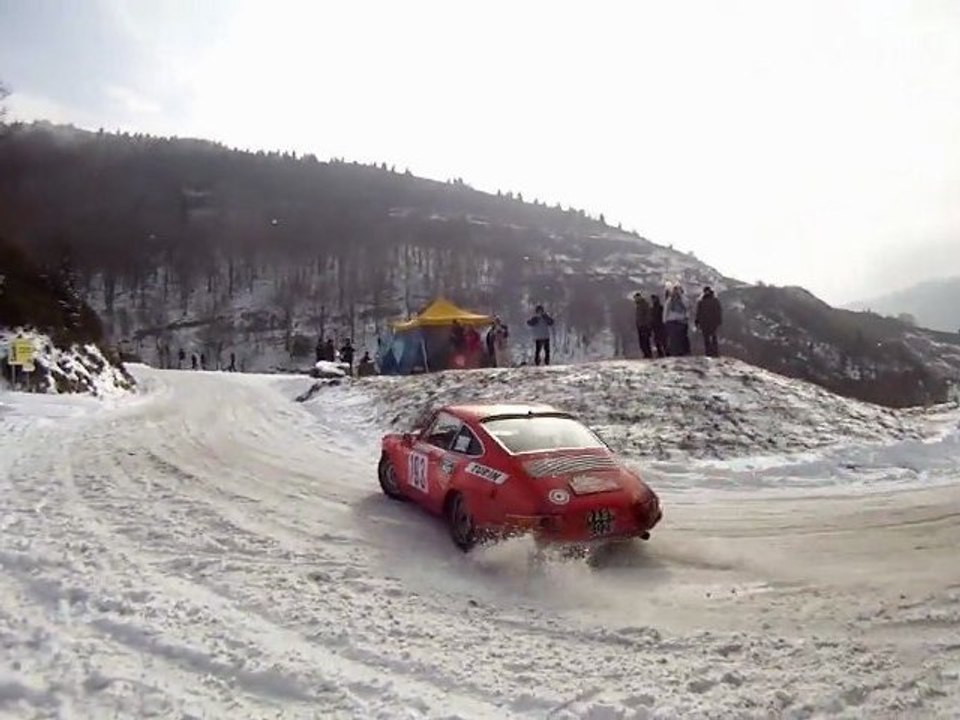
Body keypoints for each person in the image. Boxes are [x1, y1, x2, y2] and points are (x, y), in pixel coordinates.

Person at [663, 286, 691, 357]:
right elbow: (666, 310)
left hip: (680, 320)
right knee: (673, 338)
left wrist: (686, 317)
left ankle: (681, 351)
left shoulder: (683, 300)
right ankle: (675, 352)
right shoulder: (670, 300)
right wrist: (665, 320)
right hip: (672, 320)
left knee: (680, 337)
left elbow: (688, 308)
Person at [695, 286, 723, 357]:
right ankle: (715, 353)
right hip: (713, 322)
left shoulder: (701, 302)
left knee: (706, 338)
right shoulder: (715, 301)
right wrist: (719, 321)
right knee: (713, 337)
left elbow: (698, 313)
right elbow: (718, 312)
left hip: (704, 323)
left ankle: (708, 353)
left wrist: (697, 322)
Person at [633, 292, 653, 359]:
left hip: (644, 325)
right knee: (642, 342)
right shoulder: (638, 305)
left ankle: (648, 354)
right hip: (640, 326)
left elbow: (648, 315)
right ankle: (646, 354)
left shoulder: (644, 304)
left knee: (645, 341)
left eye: (636, 298)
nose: (635, 299)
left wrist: (647, 324)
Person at [650, 293, 667, 358]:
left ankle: (666, 352)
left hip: (661, 326)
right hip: (655, 326)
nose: (653, 300)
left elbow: (662, 316)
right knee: (657, 341)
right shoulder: (652, 309)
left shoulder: (660, 308)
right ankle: (660, 353)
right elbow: (651, 318)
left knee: (663, 340)